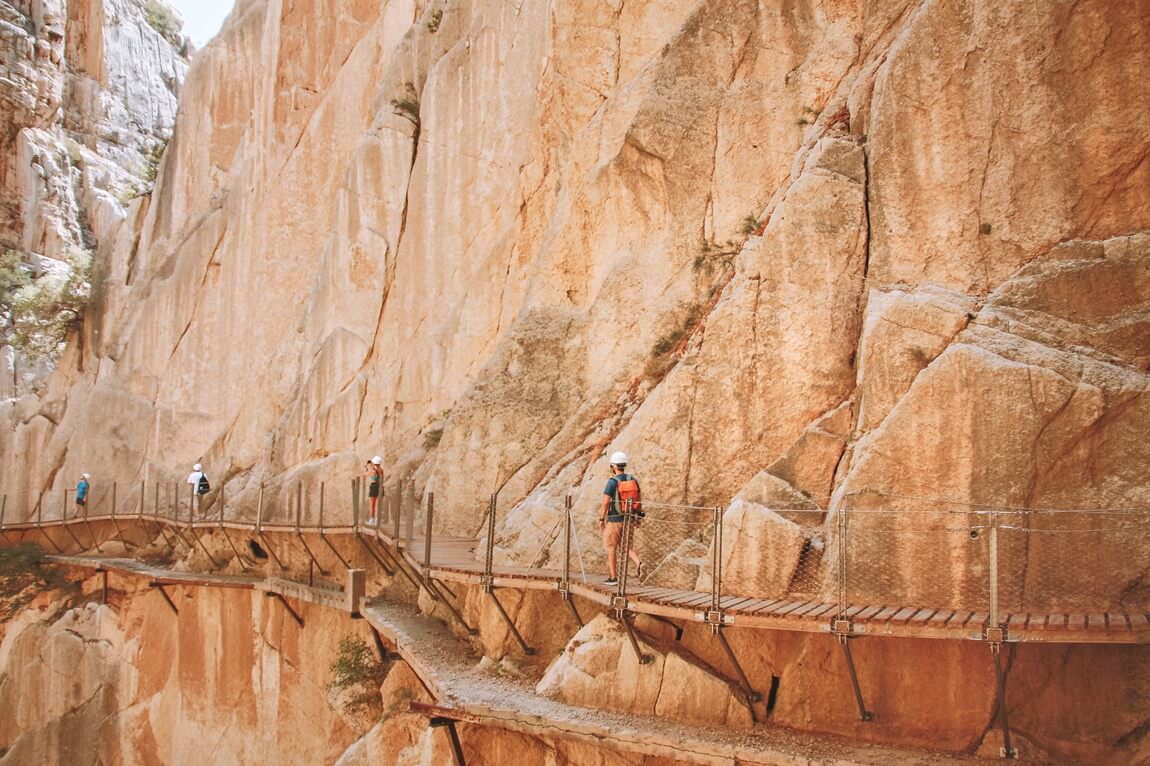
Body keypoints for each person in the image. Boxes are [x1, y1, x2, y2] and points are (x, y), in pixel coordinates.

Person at [598, 451, 644, 585]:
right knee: (627, 547)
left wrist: (602, 519)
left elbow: (606, 502)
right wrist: (637, 517)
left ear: (613, 466)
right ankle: (639, 563)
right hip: (629, 518)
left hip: (614, 520)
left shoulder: (612, 482)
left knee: (611, 547)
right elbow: (638, 501)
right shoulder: (633, 480)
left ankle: (613, 578)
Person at [366, 455, 384, 526]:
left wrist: (367, 469)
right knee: (377, 506)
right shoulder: (381, 470)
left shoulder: (372, 471)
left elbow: (365, 475)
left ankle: (371, 520)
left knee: (371, 505)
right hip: (380, 487)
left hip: (373, 487)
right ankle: (376, 520)